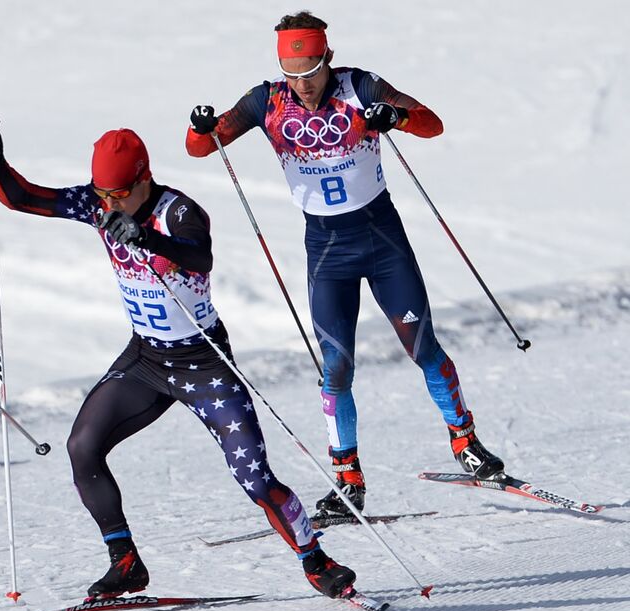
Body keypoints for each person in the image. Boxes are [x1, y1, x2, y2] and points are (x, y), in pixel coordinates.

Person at [0, 122, 360, 601]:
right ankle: (126, 562)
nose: (107, 204)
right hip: (147, 359)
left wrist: (145, 239)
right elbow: (25, 198)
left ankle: (315, 559)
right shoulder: (100, 206)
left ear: (142, 180)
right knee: (82, 447)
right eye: (101, 193)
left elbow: (201, 258)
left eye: (117, 194)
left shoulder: (179, 212)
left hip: (204, 363)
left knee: (253, 476)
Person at [185, 10, 506, 518]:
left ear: (327, 59)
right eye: (294, 75)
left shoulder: (362, 86)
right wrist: (200, 126)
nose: (304, 85)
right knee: (335, 366)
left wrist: (393, 117)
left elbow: (432, 125)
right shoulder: (265, 100)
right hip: (327, 248)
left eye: (311, 72)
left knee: (422, 346)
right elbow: (201, 148)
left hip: (381, 238)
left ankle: (466, 444)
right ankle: (348, 480)